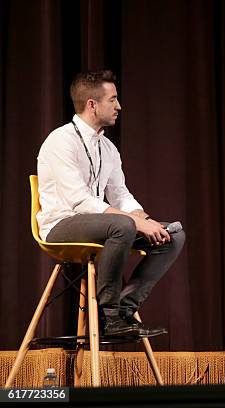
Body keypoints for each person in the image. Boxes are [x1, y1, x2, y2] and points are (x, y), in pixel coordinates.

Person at [37, 70, 185, 337]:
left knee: (173, 235)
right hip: (60, 225)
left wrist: (141, 216)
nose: (119, 106)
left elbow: (120, 194)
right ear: (92, 105)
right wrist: (134, 222)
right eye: (113, 99)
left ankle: (125, 309)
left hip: (104, 225)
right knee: (123, 225)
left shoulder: (107, 147)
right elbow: (79, 200)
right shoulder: (60, 140)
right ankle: (109, 317)